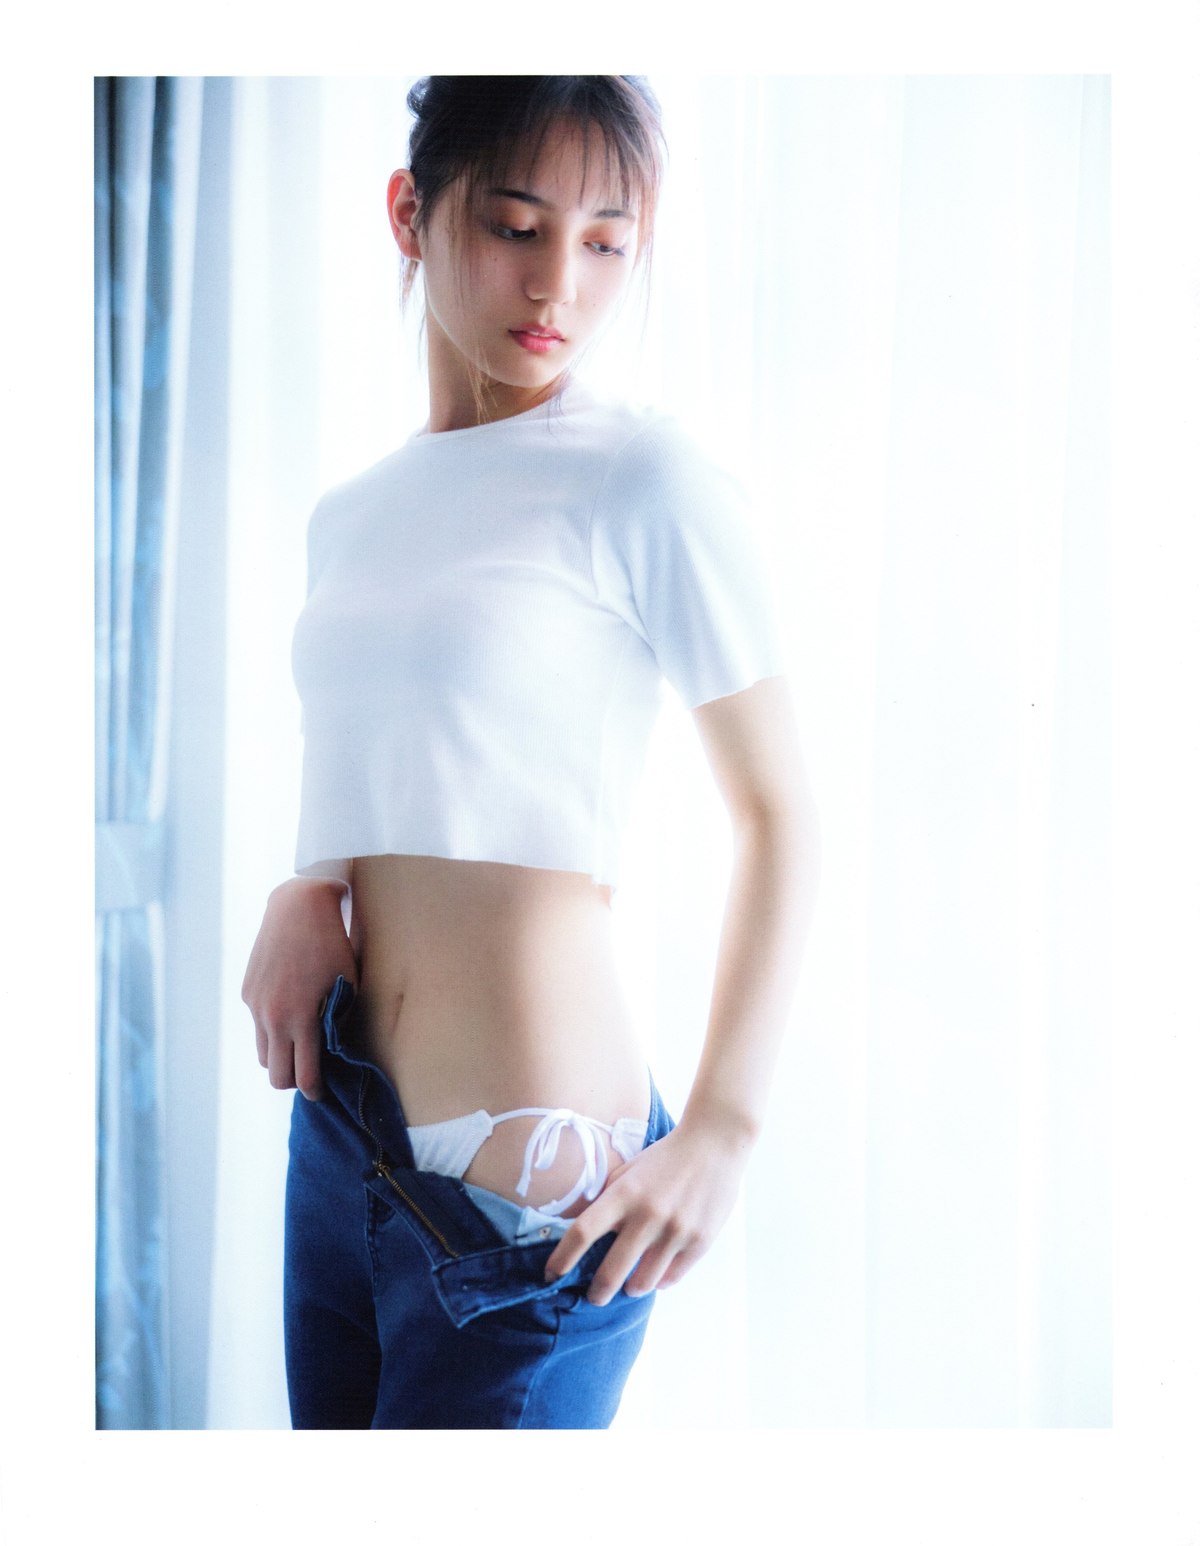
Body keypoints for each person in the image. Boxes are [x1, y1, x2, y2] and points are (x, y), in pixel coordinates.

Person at [242, 75, 820, 1430]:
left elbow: (783, 812)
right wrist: (307, 883)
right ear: (410, 212)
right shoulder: (351, 513)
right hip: (343, 1138)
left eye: (606, 241)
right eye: (516, 226)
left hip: (530, 1198)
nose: (560, 282)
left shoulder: (641, 479)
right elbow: (407, 745)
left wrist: (724, 1131)